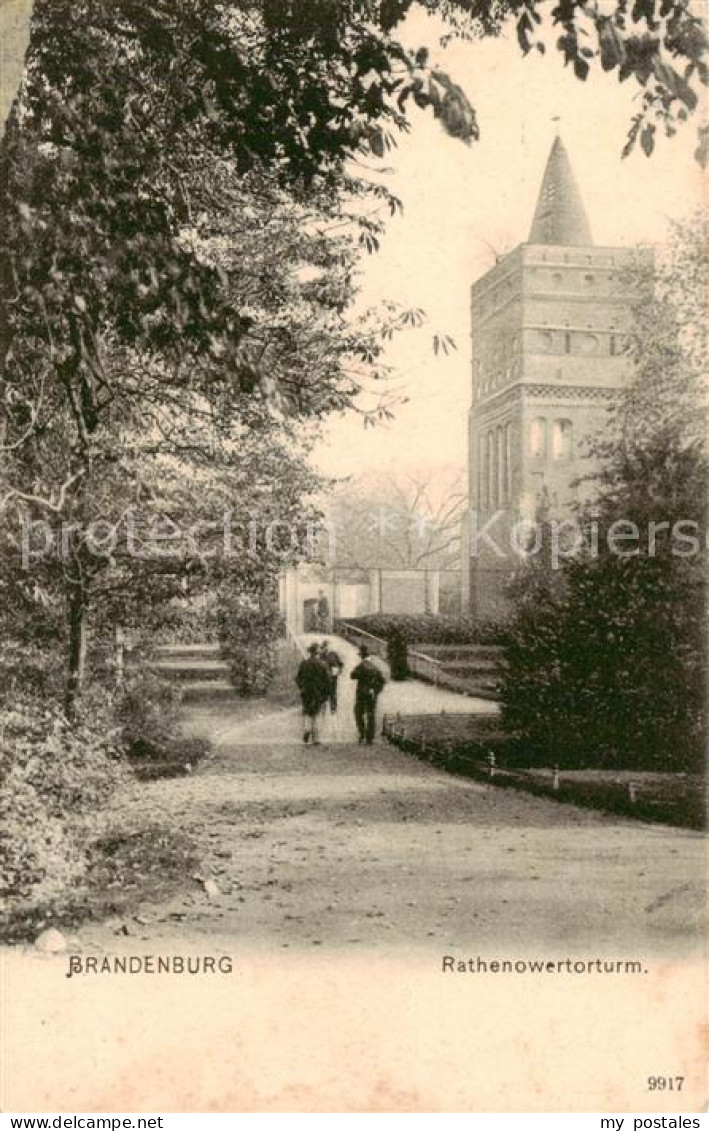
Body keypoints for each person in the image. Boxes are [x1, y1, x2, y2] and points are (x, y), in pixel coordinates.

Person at [350, 644, 386, 745]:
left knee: (358, 713)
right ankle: (370, 737)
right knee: (371, 714)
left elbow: (352, 675)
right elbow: (382, 681)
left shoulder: (361, 666)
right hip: (372, 694)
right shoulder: (376, 667)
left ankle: (362, 734)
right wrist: (376, 691)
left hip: (361, 693)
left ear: (361, 656)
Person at [295, 643, 331, 745]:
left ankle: (307, 729)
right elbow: (328, 681)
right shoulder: (323, 664)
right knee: (317, 713)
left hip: (306, 692)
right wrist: (327, 693)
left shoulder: (304, 664)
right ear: (317, 653)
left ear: (310, 652)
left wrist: (301, 687)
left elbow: (298, 678)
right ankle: (316, 739)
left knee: (307, 711)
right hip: (318, 692)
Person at [320, 640, 344, 713]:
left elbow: (341, 664)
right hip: (324, 676)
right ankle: (323, 708)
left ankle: (333, 708)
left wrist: (338, 671)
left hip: (333, 676)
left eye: (327, 647)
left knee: (333, 692)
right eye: (324, 647)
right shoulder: (321, 655)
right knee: (323, 691)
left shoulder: (334, 654)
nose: (325, 649)